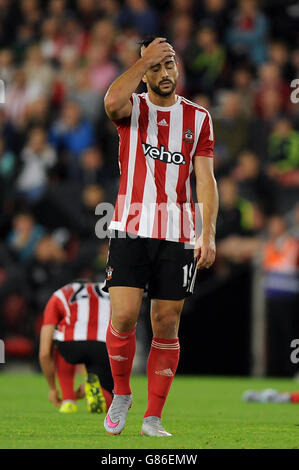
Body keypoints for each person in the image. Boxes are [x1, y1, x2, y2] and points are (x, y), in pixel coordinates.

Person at [102, 36, 218, 437]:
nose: (165, 73)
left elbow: (205, 179)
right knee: (122, 316)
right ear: (145, 72)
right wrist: (141, 61)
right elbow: (110, 102)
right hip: (131, 226)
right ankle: (120, 393)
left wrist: (209, 232)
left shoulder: (198, 118)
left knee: (166, 323)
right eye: (156, 67)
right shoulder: (131, 108)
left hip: (178, 233)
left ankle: (153, 417)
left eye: (169, 65)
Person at [39, 280, 114, 414]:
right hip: (104, 344)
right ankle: (98, 391)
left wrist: (52, 388)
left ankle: (68, 400)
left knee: (60, 339)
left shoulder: (61, 293)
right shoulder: (110, 291)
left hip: (71, 344)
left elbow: (44, 352)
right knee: (108, 394)